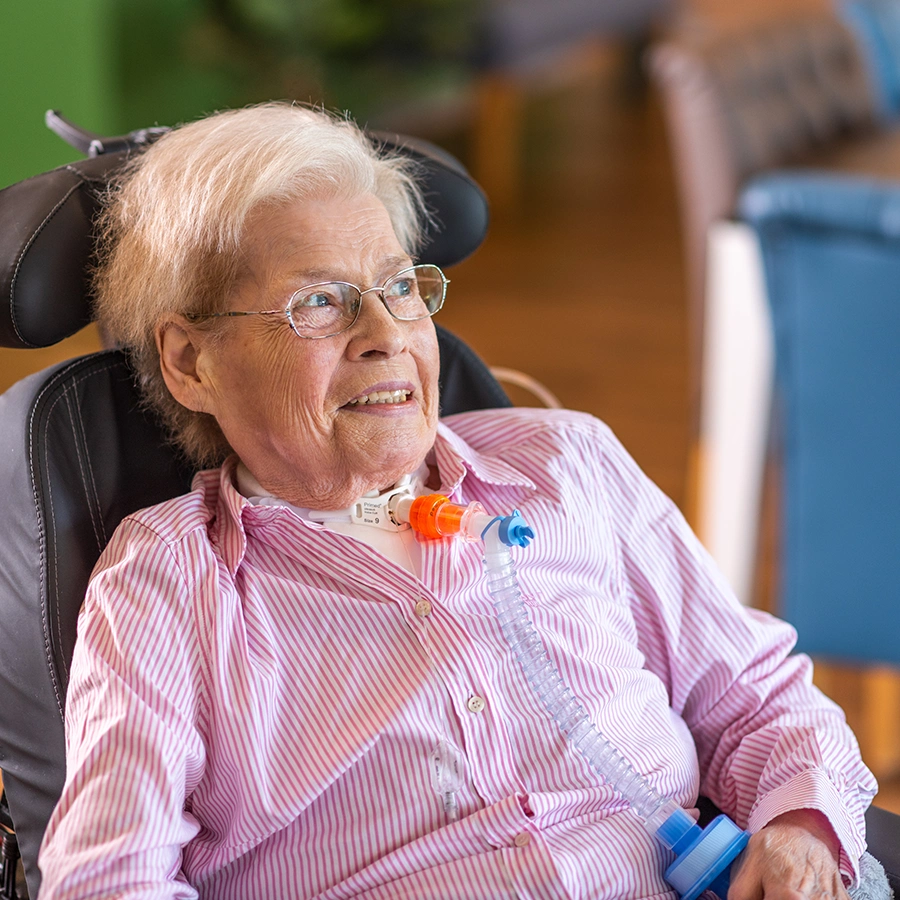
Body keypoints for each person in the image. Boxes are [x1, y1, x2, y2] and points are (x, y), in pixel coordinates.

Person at [38, 102, 878, 900]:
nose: (386, 335)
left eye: (400, 286)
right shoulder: (168, 583)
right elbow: (112, 881)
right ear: (191, 363)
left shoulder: (567, 465)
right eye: (318, 303)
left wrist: (800, 828)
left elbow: (758, 699)